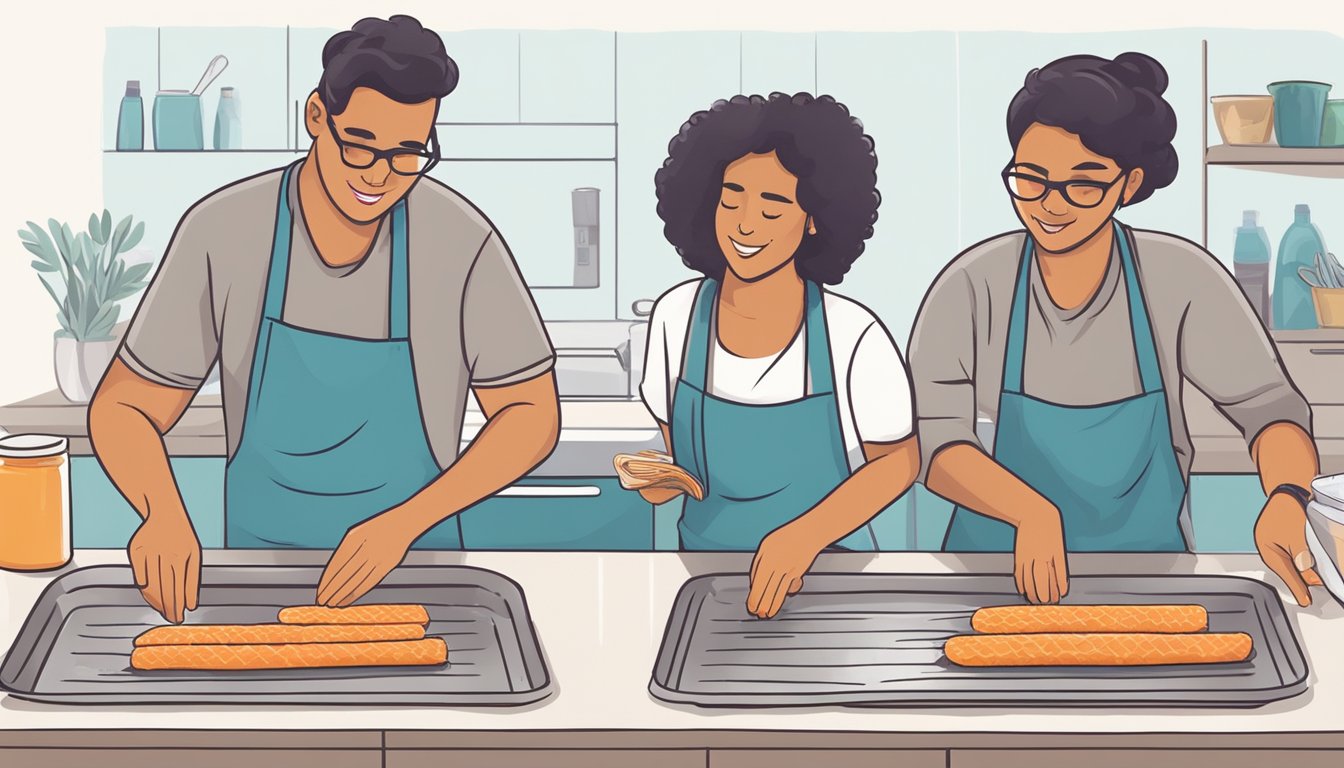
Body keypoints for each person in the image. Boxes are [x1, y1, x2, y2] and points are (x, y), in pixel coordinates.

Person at [89, 15, 560, 623]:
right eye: (359, 144)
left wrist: (404, 523)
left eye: (408, 154)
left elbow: (532, 413)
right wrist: (161, 510)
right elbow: (124, 405)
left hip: (419, 576)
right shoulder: (224, 230)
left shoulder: (461, 241)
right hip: (256, 582)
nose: (378, 174)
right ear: (317, 116)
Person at [908, 52, 1323, 606]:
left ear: (1128, 183)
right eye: (1030, 180)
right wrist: (1029, 511)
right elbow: (935, 442)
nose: (1049, 205)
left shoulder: (1180, 278)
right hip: (988, 580)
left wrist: (1289, 496)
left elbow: (1270, 411)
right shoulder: (971, 286)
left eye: (1082, 184)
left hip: (1151, 580)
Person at [641, 92, 921, 619]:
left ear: (814, 218)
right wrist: (662, 478)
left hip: (832, 578)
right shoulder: (675, 317)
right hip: (703, 578)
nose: (746, 225)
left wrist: (806, 536)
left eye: (773, 206)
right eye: (731, 198)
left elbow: (899, 461)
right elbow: (680, 454)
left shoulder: (851, 333)